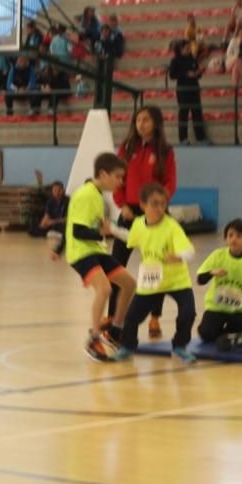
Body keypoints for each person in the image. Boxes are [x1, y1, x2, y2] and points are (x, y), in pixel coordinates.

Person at [109, 105, 177, 337]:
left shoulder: (165, 151)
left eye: (146, 120)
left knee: (155, 267)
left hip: (155, 214)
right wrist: (122, 204)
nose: (141, 124)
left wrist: (158, 207)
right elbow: (117, 179)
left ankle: (155, 318)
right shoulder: (126, 148)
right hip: (129, 211)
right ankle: (111, 316)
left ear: (156, 123)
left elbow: (170, 183)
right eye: (137, 120)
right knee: (116, 265)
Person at [110, 184, 197, 364]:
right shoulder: (139, 224)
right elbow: (130, 237)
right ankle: (127, 346)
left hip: (176, 281)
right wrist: (111, 229)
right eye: (154, 204)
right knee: (133, 316)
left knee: (188, 312)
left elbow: (190, 251)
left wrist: (179, 256)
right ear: (143, 205)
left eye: (162, 204)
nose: (159, 208)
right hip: (151, 281)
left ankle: (180, 347)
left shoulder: (172, 226)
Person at [64, 153, 136, 362]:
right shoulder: (86, 195)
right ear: (103, 174)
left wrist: (105, 231)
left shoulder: (97, 195)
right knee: (104, 289)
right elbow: (77, 231)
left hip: (96, 250)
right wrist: (103, 232)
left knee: (129, 284)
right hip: (81, 252)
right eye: (118, 177)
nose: (121, 182)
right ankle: (94, 339)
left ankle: (114, 331)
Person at [196, 219, 242, 347]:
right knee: (206, 334)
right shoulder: (218, 256)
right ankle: (224, 335)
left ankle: (229, 335)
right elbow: (200, 279)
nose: (234, 239)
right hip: (216, 307)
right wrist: (211, 273)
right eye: (230, 235)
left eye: (239, 236)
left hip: (239, 310)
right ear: (226, 238)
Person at [168, 41, 207, 144]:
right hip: (183, 90)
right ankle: (183, 139)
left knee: (197, 113)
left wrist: (198, 72)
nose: (188, 50)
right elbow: (172, 75)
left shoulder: (193, 59)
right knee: (183, 114)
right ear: (180, 49)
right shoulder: (175, 60)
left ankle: (201, 138)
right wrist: (185, 74)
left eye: (189, 48)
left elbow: (198, 75)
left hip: (194, 88)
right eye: (186, 48)